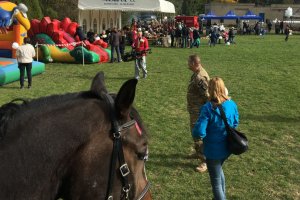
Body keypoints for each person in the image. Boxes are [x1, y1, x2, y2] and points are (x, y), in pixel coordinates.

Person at [192, 77, 239, 200]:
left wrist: (198, 132)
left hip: (213, 151)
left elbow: (199, 131)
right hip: (227, 147)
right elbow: (235, 122)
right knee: (218, 172)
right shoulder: (231, 104)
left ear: (210, 90)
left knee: (216, 183)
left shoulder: (208, 108)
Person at [186, 54, 210, 173]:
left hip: (199, 112)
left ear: (195, 64)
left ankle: (205, 161)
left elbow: (207, 96)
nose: (187, 65)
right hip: (195, 110)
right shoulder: (197, 73)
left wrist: (204, 113)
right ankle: (198, 152)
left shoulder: (200, 77)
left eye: (189, 63)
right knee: (195, 134)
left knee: (199, 135)